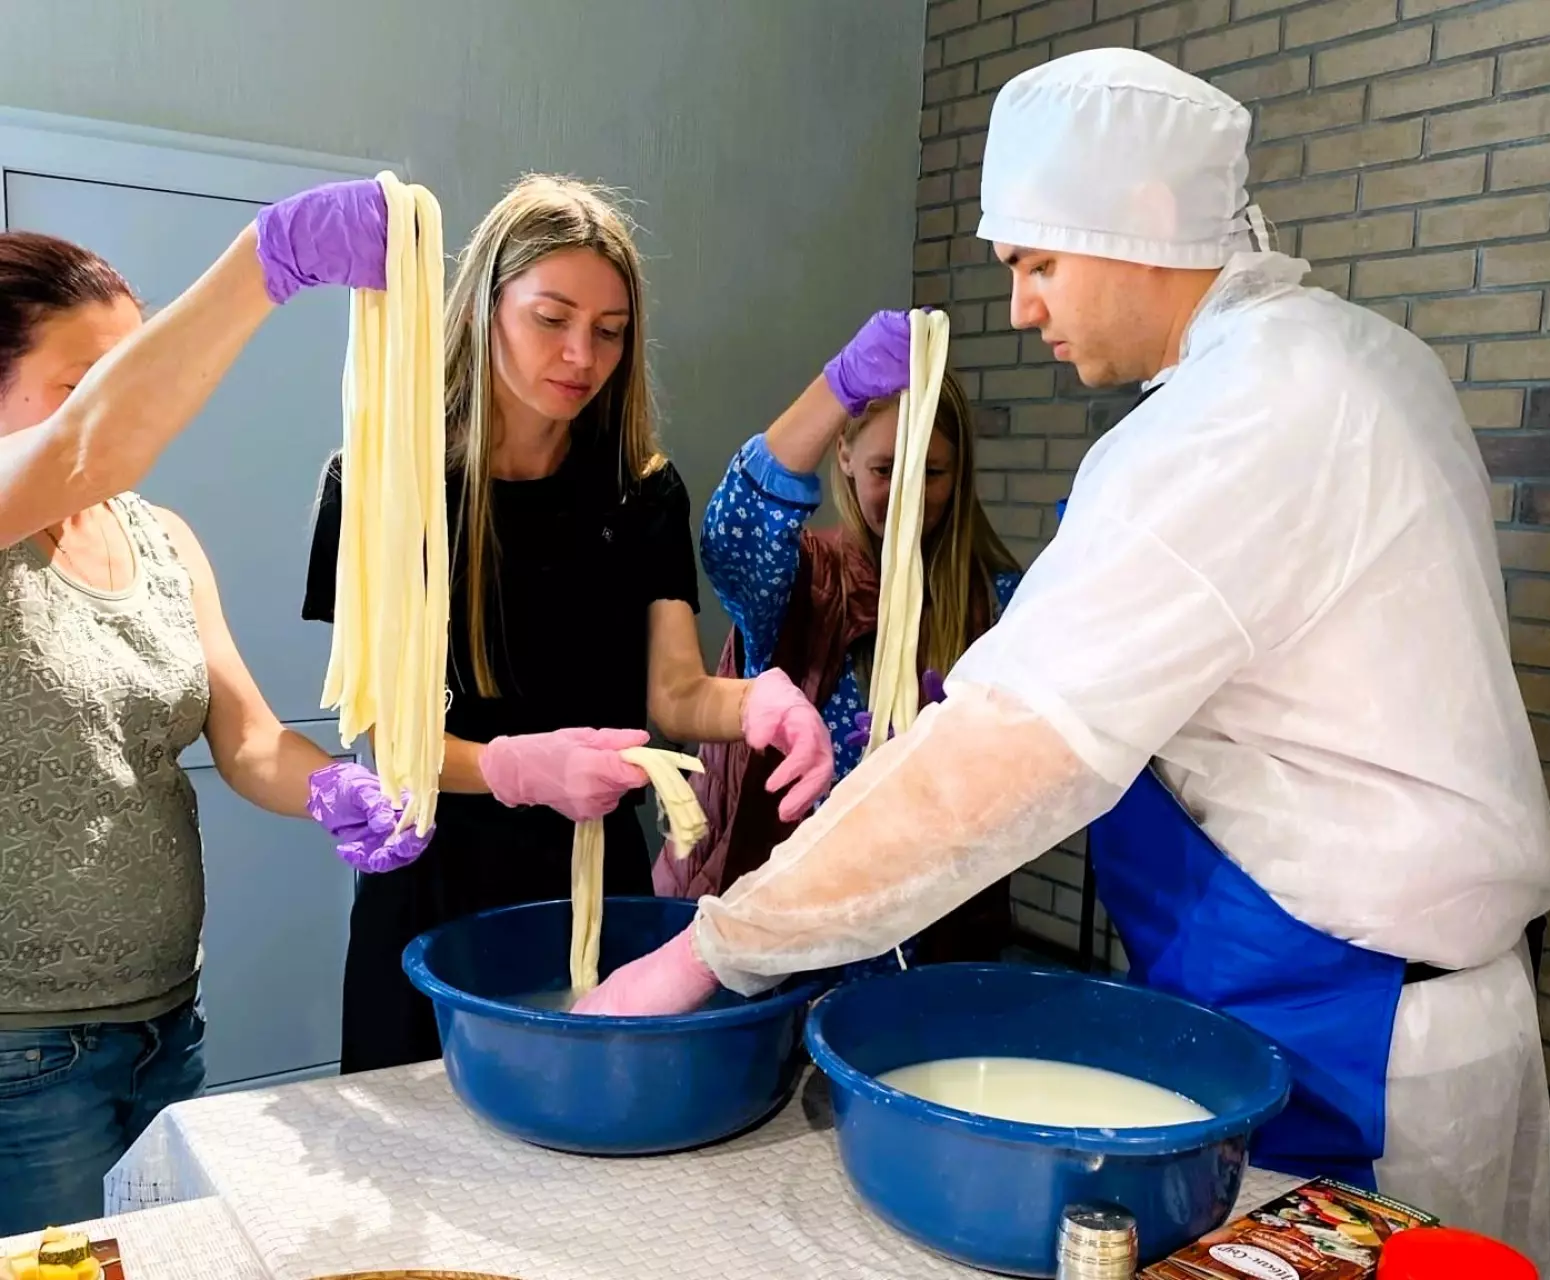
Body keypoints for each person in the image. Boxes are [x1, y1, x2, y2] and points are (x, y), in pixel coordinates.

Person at [573, 49, 1550, 1274]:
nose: (1020, 308)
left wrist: (704, 952)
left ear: (1139, 223)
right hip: (1380, 1000)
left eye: (1036, 263)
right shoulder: (1355, 358)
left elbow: (994, 760)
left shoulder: (1234, 421)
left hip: (1354, 1040)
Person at [301, 174, 833, 1074]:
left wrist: (757, 705)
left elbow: (675, 693)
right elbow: (392, 742)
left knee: (593, 1117)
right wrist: (515, 768)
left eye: (610, 331)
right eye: (552, 319)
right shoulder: (382, 486)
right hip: (436, 885)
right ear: (486, 307)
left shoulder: (641, 492)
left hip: (593, 883)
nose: (582, 355)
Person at [0, 206, 424, 1231]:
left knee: (163, 1257)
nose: (126, 407)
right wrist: (263, 264)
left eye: (135, 370)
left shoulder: (161, 539)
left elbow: (244, 736)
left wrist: (331, 785)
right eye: (85, 382)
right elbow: (84, 446)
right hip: (22, 1053)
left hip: (165, 1020)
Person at [659, 333, 1020, 969]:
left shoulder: (995, 599)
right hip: (779, 920)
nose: (907, 495)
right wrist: (837, 388)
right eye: (886, 469)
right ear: (845, 455)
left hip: (925, 931)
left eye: (931, 472)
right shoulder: (804, 581)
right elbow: (732, 538)